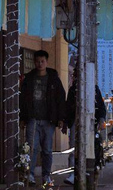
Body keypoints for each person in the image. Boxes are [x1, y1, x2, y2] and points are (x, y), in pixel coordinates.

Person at [19, 50, 66, 186]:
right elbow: (23, 99)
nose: (40, 64)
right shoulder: (29, 79)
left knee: (47, 149)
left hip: (48, 120)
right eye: (37, 61)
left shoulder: (53, 79)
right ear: (34, 62)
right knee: (31, 148)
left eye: (42, 61)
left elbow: (60, 99)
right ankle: (30, 175)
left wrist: (60, 118)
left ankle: (46, 175)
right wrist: (22, 118)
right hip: (32, 118)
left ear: (46, 62)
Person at [63, 74, 107, 185]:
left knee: (92, 148)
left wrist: (101, 119)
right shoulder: (73, 89)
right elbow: (68, 107)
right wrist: (66, 122)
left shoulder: (95, 88)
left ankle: (90, 172)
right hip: (75, 123)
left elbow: (101, 107)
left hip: (91, 123)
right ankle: (73, 173)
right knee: (74, 148)